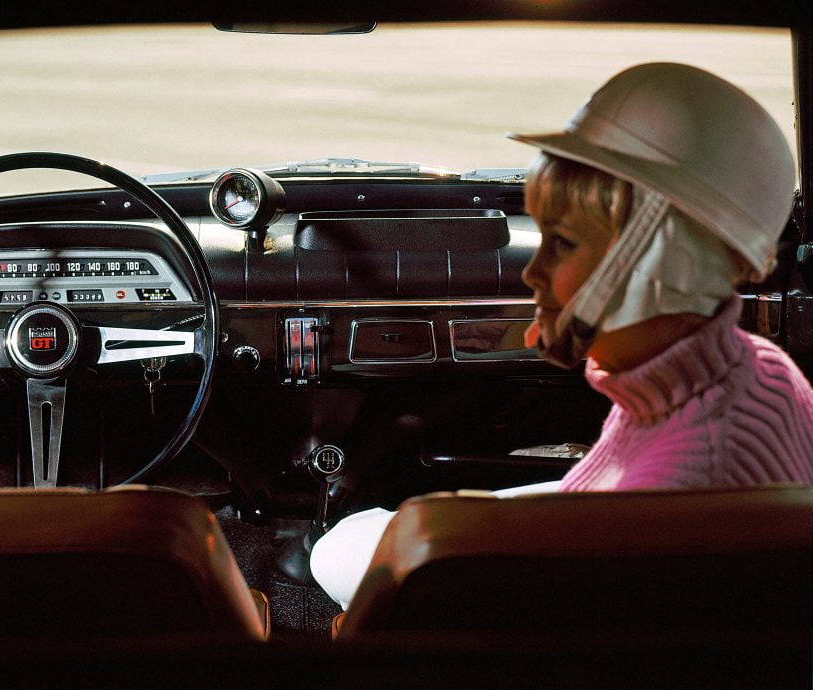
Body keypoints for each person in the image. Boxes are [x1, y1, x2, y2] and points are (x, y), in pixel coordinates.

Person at [310, 61, 813, 610]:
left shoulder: (668, 501)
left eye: (564, 243)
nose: (533, 273)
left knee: (336, 552)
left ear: (664, 264)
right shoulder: (759, 368)